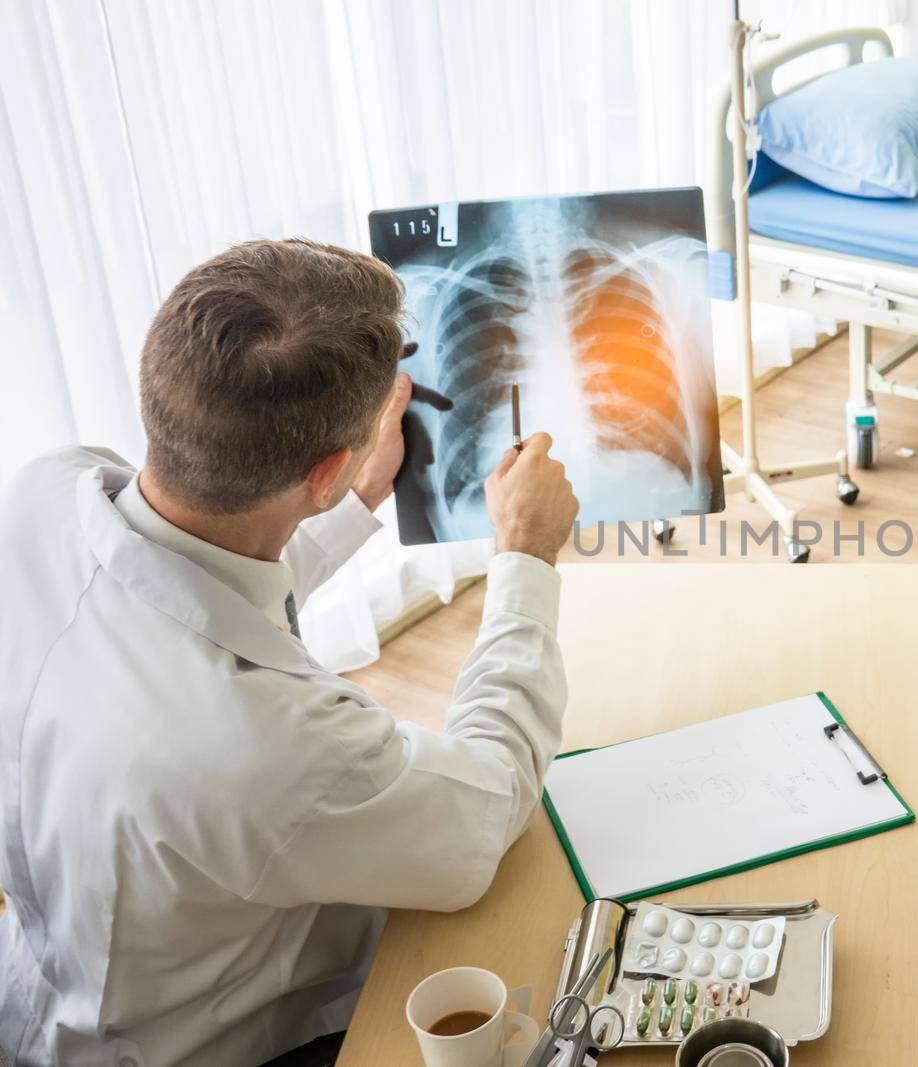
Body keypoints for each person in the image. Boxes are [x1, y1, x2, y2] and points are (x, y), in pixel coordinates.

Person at [0, 239, 580, 1067]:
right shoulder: (269, 743)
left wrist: (346, 498)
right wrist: (525, 552)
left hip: (37, 989)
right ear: (324, 467)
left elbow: (181, 586)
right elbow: (487, 812)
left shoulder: (43, 494)